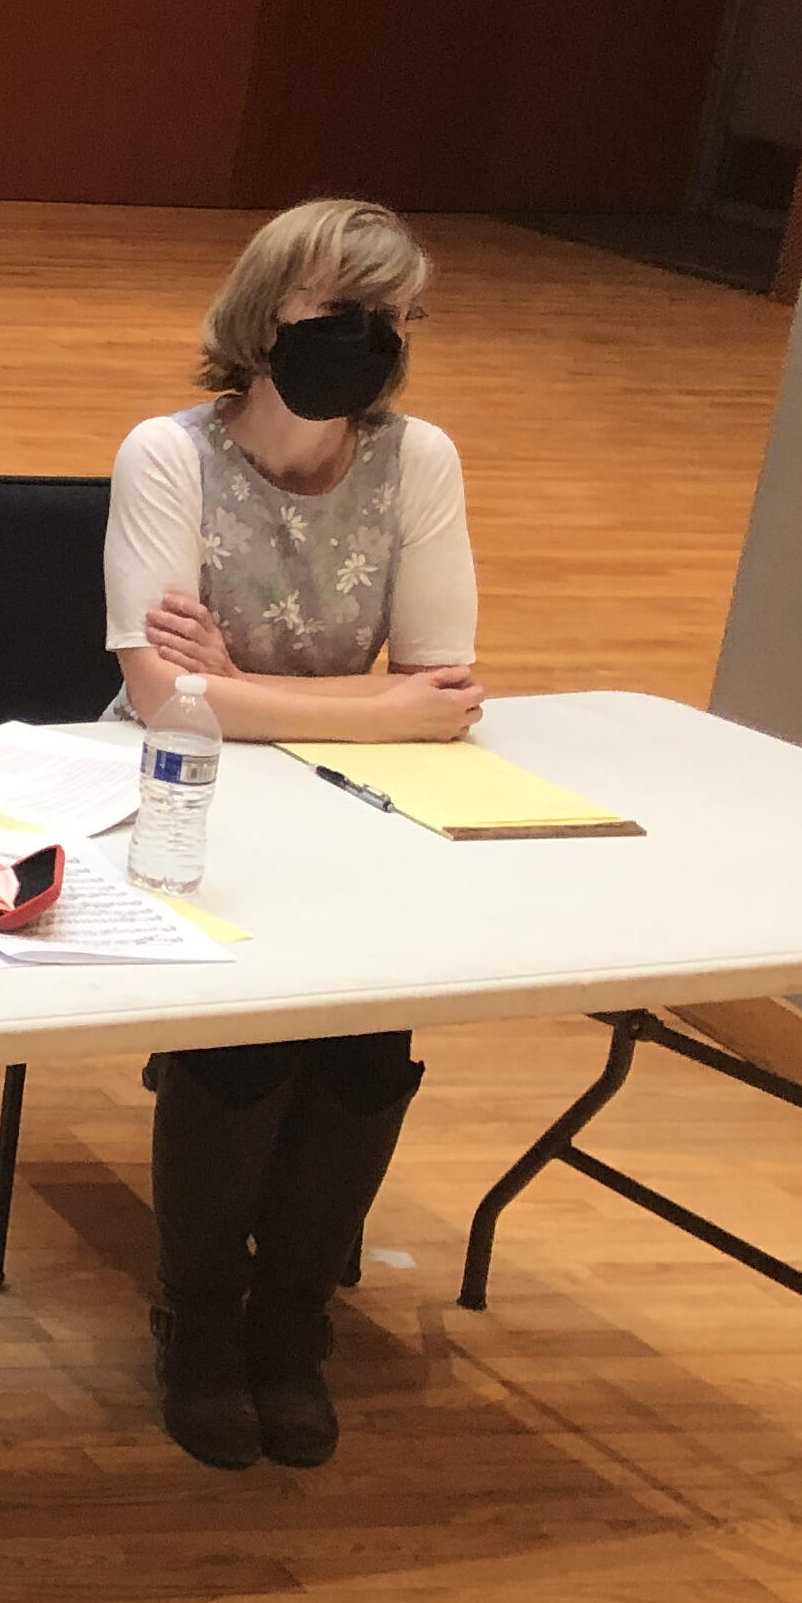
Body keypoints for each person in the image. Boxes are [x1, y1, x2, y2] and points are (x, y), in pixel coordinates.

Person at [105, 196, 479, 1473]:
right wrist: (363, 705)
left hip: (336, 794)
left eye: (391, 322)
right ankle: (201, 1320)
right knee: (251, 1041)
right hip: (172, 794)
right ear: (266, 319)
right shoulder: (168, 456)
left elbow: (446, 695)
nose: (369, 345)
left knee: (370, 1033)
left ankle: (295, 1318)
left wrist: (253, 687)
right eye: (339, 318)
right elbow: (164, 700)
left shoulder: (416, 460)